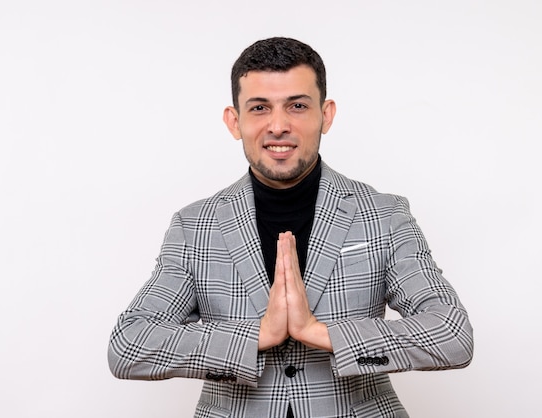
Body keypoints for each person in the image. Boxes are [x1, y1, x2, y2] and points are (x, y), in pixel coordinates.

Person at [108, 37, 473, 418]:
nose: (278, 125)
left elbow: (452, 333)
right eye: (260, 108)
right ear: (235, 121)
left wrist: (321, 333)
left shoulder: (384, 214)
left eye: (297, 106)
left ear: (326, 115)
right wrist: (256, 337)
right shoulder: (195, 225)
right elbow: (129, 345)